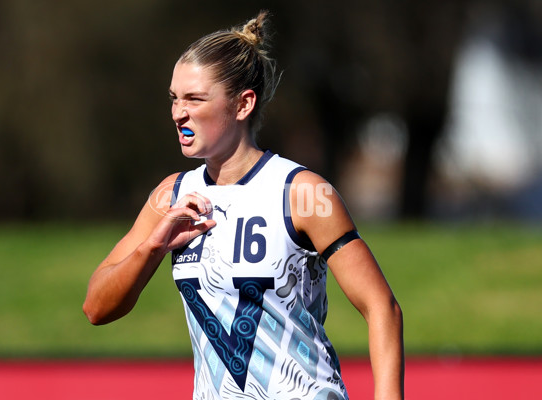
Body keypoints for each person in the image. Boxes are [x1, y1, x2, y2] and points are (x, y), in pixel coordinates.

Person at [83, 10, 404, 400]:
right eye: (174, 99)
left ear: (243, 104)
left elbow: (381, 306)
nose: (178, 113)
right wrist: (153, 247)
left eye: (195, 99)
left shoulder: (303, 193)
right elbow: (97, 307)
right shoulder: (170, 195)